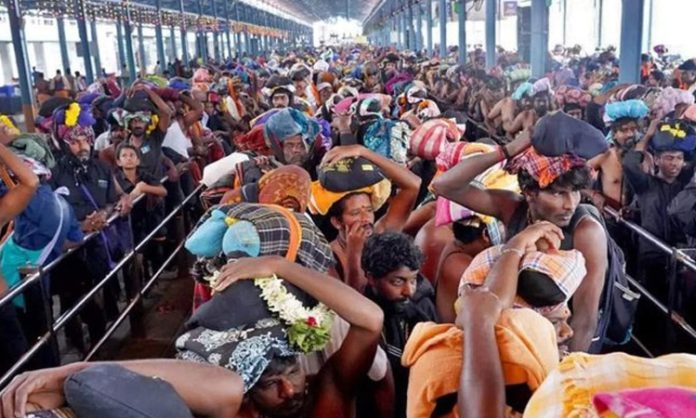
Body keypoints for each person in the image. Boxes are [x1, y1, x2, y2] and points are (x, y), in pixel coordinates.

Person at [0, 256, 384, 418]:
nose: (289, 391)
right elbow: (223, 385)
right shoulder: (229, 404)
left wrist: (279, 267)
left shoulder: (327, 393)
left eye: (292, 374)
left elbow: (369, 319)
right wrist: (76, 373)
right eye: (269, 383)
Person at [432, 128, 608, 352]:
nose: (570, 204)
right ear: (529, 192)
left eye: (574, 192)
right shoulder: (512, 208)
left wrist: (561, 376)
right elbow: (444, 185)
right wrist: (507, 150)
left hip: (563, 341)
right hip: (520, 332)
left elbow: (585, 319)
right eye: (557, 193)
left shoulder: (586, 232)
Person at [318, 144, 421, 292]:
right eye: (355, 213)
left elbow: (413, 185)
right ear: (337, 222)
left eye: (369, 210)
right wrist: (355, 254)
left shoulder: (380, 235)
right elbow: (353, 305)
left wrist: (362, 151)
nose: (365, 218)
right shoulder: (327, 258)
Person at [361, 231, 437, 418]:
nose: (408, 291)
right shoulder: (361, 317)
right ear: (371, 278)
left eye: (413, 280)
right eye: (397, 281)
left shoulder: (422, 307)